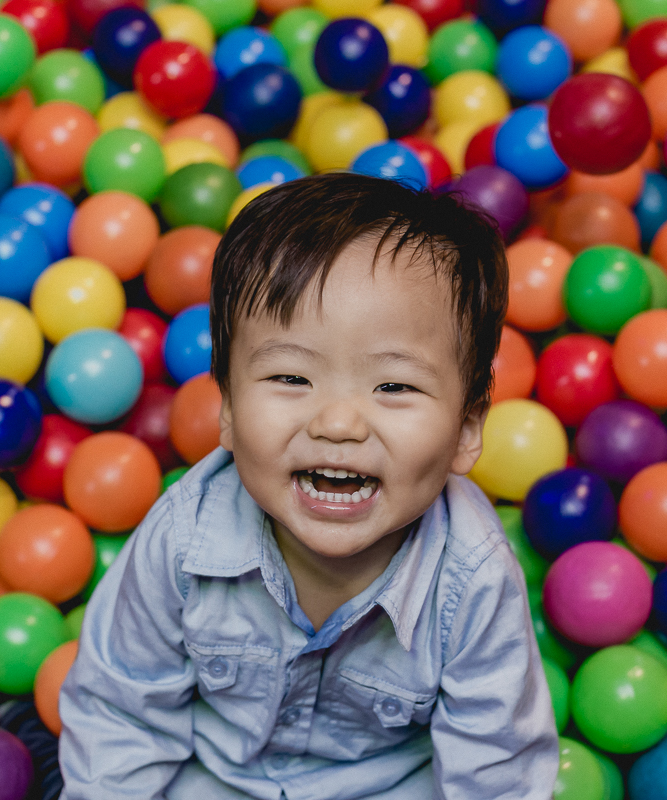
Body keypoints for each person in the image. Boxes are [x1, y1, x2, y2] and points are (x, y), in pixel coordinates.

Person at [58, 173, 559, 800]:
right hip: (212, 780)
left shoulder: (472, 578)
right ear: (230, 412)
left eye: (394, 387)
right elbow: (122, 711)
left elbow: (498, 771)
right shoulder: (185, 536)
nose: (338, 423)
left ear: (466, 428)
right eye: (291, 377)